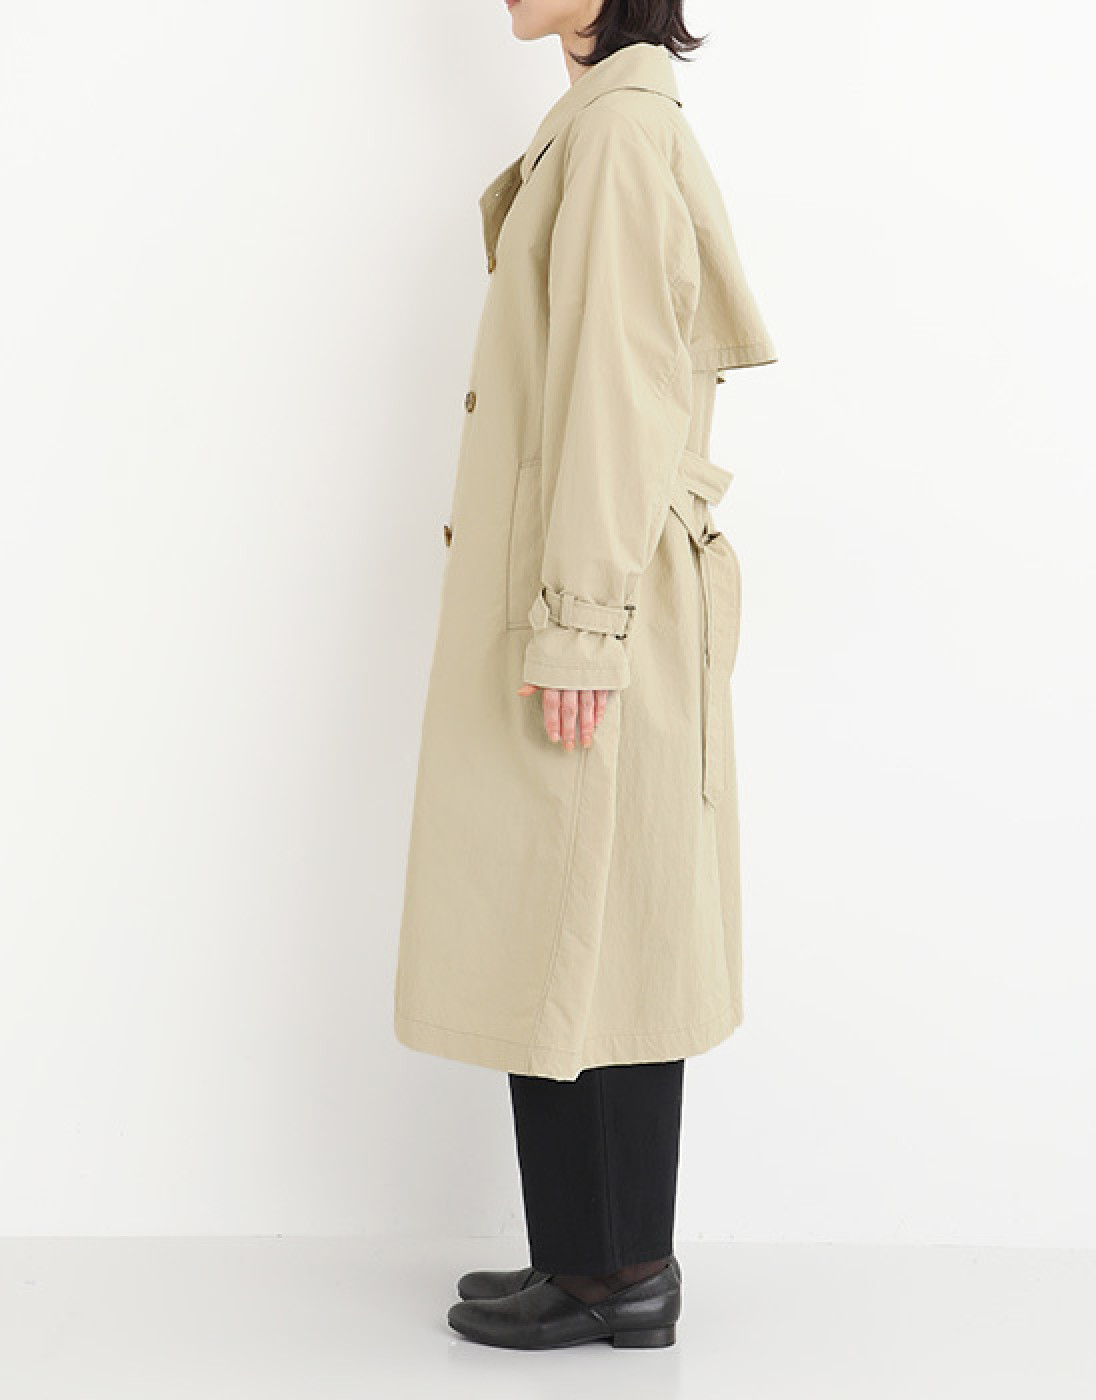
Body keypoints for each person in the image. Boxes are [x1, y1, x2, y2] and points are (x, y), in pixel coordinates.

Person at [392, 0, 776, 1350]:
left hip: (592, 588)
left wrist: (579, 623)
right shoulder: (606, 121)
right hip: (592, 579)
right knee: (573, 914)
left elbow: (616, 393)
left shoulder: (617, 135)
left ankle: (620, 1273)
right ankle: (586, 1259)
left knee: (593, 913)